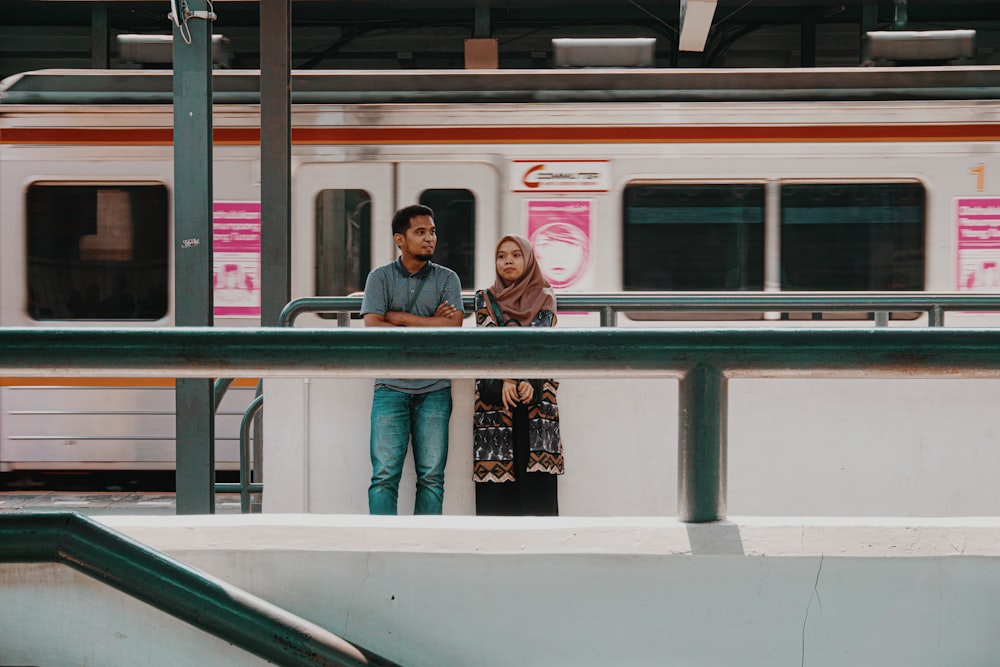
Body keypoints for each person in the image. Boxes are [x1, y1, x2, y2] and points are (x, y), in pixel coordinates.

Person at [360, 204, 464, 515]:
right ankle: (382, 546)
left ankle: (426, 547)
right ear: (399, 239)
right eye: (420, 232)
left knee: (432, 478)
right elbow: (373, 326)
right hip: (389, 387)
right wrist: (430, 320)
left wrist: (400, 317)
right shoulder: (378, 278)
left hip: (435, 388)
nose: (429, 238)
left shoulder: (448, 279)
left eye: (432, 232)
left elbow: (453, 324)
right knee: (383, 477)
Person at [473, 234, 563, 516]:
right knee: (496, 494)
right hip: (495, 398)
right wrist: (510, 379)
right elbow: (489, 341)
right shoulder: (484, 298)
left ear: (528, 259)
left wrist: (522, 379)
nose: (507, 261)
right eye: (501, 256)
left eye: (515, 255)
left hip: (535, 396)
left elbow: (539, 340)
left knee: (537, 490)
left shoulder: (545, 297)